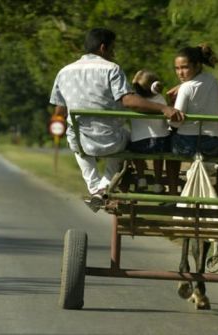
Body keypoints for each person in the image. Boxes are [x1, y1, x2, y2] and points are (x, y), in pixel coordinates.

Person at [49, 28, 183, 212]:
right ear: (103, 48)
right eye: (113, 48)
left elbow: (60, 111)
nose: (114, 53)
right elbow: (128, 101)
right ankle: (104, 187)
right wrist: (164, 108)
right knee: (128, 138)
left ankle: (95, 188)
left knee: (74, 141)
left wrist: (60, 125)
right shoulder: (112, 69)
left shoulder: (64, 72)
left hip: (82, 142)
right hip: (111, 140)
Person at [166, 44, 218, 195]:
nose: (180, 72)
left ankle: (172, 193)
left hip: (187, 145)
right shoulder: (213, 81)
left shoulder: (186, 88)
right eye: (177, 68)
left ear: (197, 65)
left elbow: (176, 120)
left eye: (184, 67)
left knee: (169, 149)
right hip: (213, 143)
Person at [128, 69, 170, 194]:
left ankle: (141, 178)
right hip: (160, 142)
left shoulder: (134, 100)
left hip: (138, 143)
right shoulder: (160, 99)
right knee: (158, 157)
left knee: (136, 152)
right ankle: (158, 182)